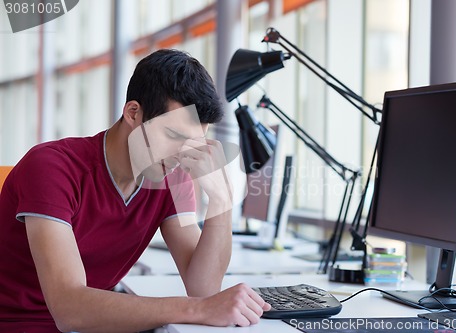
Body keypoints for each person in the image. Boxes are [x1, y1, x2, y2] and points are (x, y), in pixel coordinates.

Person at [0, 49, 270, 333]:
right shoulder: (51, 167)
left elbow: (202, 287)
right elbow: (69, 308)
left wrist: (221, 200)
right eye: (173, 136)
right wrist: (198, 309)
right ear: (133, 113)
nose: (181, 155)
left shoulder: (172, 177)